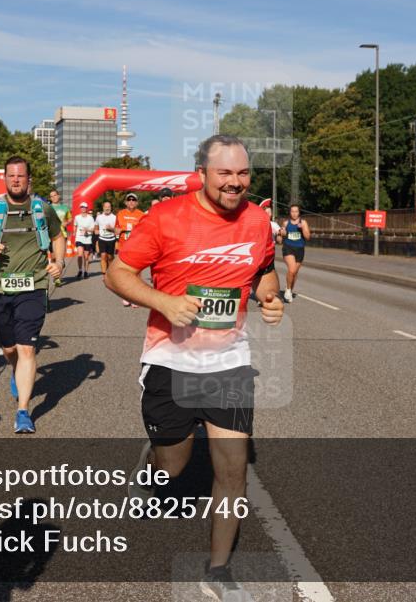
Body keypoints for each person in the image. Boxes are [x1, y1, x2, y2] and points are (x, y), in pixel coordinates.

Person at [104, 135, 283, 600]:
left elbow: (264, 269)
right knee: (175, 465)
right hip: (170, 358)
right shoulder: (166, 217)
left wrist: (271, 296)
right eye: (224, 173)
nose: (235, 182)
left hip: (229, 361)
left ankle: (217, 572)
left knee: (232, 471)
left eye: (242, 173)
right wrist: (163, 300)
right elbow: (118, 273)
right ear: (202, 173)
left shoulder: (257, 219)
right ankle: (154, 463)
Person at [0, 157, 64, 434]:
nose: (17, 180)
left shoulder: (42, 209)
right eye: (12, 176)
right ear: (5, 178)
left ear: (29, 178)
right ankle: (15, 369)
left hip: (33, 287)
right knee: (9, 349)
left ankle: (23, 411)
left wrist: (58, 262)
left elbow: (58, 237)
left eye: (21, 176)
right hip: (1, 289)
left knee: (26, 348)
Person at [115, 193, 147, 307]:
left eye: (134, 200)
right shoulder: (120, 214)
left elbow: (145, 231)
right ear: (125, 202)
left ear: (137, 202)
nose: (131, 201)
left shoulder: (141, 215)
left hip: (137, 247)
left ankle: (136, 298)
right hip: (123, 246)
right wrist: (116, 231)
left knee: (137, 273)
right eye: (129, 200)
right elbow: (116, 229)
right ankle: (126, 296)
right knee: (124, 273)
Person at [280, 204, 311, 303]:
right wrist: (282, 234)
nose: (294, 213)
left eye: (296, 211)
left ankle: (289, 290)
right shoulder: (285, 223)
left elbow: (308, 237)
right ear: (290, 212)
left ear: (299, 212)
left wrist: (302, 228)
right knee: (292, 269)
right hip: (288, 248)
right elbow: (280, 240)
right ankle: (288, 291)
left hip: (300, 249)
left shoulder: (303, 222)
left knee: (294, 273)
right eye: (292, 211)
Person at [48, 189, 71, 286]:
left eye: (54, 195)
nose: (53, 197)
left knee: (59, 256)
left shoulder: (65, 208)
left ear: (58, 196)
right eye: (51, 196)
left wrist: (66, 222)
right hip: (50, 235)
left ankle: (57, 276)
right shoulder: (48, 208)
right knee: (53, 256)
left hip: (62, 235)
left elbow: (70, 218)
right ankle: (56, 275)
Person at [72, 202, 95, 279]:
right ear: (80, 208)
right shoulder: (77, 217)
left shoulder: (90, 218)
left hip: (88, 239)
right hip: (79, 238)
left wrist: (87, 230)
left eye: (84, 207)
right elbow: (75, 225)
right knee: (80, 254)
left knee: (86, 256)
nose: (83, 208)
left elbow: (93, 230)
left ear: (86, 208)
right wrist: (74, 232)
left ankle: (86, 271)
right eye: (81, 207)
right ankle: (80, 270)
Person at [94, 201, 117, 275]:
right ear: (103, 208)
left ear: (111, 208)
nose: (107, 208)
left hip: (111, 239)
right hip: (102, 239)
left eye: (109, 207)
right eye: (106, 207)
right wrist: (96, 230)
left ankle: (110, 271)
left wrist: (111, 229)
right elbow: (96, 226)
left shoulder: (114, 217)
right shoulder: (99, 217)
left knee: (110, 257)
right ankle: (104, 273)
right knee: (103, 256)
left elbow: (117, 229)